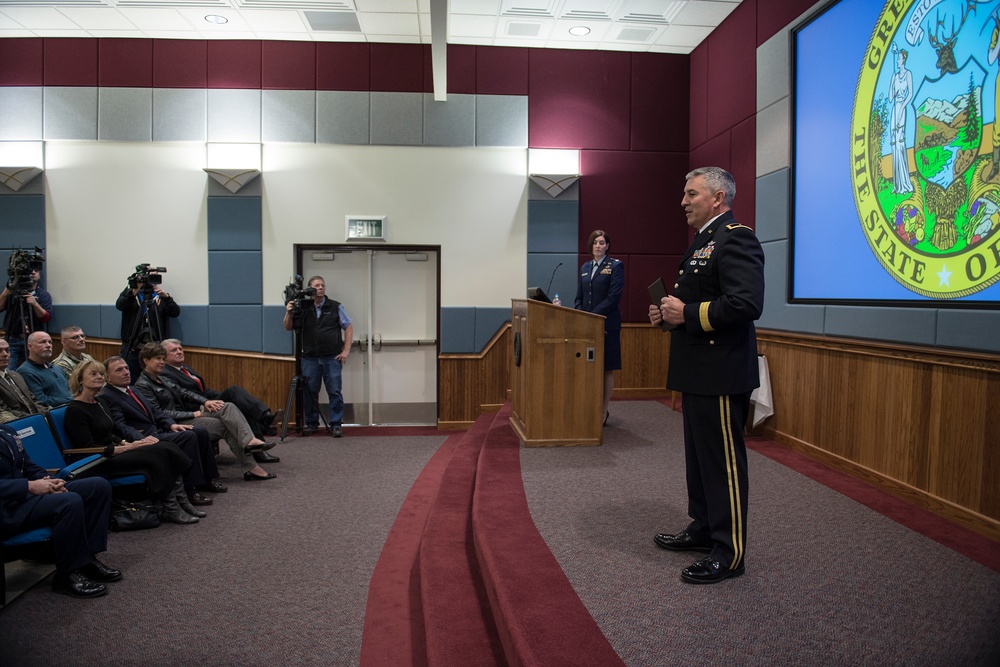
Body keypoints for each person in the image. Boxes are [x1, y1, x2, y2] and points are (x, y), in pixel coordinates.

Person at [648, 167, 764, 585]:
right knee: (698, 460)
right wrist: (668, 315)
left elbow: (746, 303)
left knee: (722, 464)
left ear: (717, 197)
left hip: (720, 369)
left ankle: (729, 551)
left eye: (691, 193)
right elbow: (698, 300)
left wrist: (690, 313)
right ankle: (703, 527)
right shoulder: (703, 241)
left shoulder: (736, 237)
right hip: (696, 367)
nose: (683, 201)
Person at [64, 358, 202, 524]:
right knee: (159, 453)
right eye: (93, 374)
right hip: (99, 460)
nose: (99, 377)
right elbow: (88, 448)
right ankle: (171, 508)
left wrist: (126, 444)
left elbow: (111, 433)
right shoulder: (75, 410)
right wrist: (127, 447)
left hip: (115, 450)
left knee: (167, 447)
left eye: (101, 373)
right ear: (80, 380)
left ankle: (182, 501)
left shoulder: (99, 402)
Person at [0, 425, 121, 598]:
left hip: (23, 498)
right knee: (68, 502)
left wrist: (50, 481)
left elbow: (27, 465)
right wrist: (29, 486)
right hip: (7, 508)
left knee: (97, 486)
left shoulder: (6, 430)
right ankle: (67, 575)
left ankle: (86, 559)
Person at [134, 343, 276, 482]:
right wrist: (193, 414)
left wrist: (205, 402)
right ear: (146, 361)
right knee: (226, 425)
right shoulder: (143, 385)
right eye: (158, 359)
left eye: (163, 359)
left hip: (186, 415)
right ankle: (251, 466)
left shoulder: (162, 378)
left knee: (227, 407)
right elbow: (159, 413)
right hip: (175, 423)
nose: (162, 362)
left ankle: (249, 442)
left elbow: (185, 393)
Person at [97, 356, 223, 505]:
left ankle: (207, 480)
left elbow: (155, 411)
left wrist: (171, 424)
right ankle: (190, 490)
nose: (126, 372)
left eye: (126, 368)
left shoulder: (132, 389)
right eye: (119, 370)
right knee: (188, 437)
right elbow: (121, 426)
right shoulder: (108, 396)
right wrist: (142, 439)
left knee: (200, 431)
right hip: (144, 438)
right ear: (108, 377)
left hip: (158, 430)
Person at [160, 338, 282, 462]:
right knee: (234, 392)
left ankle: (260, 444)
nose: (179, 352)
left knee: (239, 401)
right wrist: (207, 401)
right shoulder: (165, 373)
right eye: (174, 350)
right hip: (194, 408)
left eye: (180, 349)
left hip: (204, 401)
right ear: (164, 356)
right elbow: (184, 395)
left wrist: (221, 396)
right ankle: (265, 422)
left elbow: (202, 391)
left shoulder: (184, 368)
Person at [283, 276, 353, 437]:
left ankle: (336, 424)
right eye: (317, 285)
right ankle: (312, 423)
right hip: (309, 358)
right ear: (310, 289)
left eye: (322, 285)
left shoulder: (335, 306)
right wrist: (289, 312)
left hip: (331, 357)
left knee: (334, 391)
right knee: (310, 392)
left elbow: (348, 326)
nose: (320, 288)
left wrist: (346, 350)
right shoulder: (303, 307)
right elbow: (288, 327)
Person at [574, 229, 624, 424]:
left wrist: (592, 316)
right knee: (588, 367)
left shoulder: (615, 266)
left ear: (607, 246)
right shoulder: (585, 267)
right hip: (586, 325)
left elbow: (614, 297)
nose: (598, 246)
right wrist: (579, 313)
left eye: (602, 242)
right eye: (595, 242)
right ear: (591, 245)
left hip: (607, 324)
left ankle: (603, 411)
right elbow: (579, 295)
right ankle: (589, 407)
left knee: (606, 368)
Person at [116, 268, 179, 382]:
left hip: (155, 347)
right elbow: (120, 305)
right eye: (149, 277)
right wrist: (133, 290)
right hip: (133, 348)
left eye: (154, 278)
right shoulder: (132, 294)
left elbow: (175, 312)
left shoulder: (159, 297)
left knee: (156, 379)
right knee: (131, 379)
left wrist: (167, 297)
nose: (151, 281)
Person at [0, 264, 52, 371]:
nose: (33, 273)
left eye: (36, 271)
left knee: (32, 370)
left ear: (39, 275)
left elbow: (45, 318)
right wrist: (5, 293)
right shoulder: (12, 292)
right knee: (7, 369)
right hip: (12, 338)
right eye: (29, 271)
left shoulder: (43, 295)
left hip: (32, 340)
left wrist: (35, 304)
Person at [15, 331, 73, 407]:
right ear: (30, 347)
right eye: (42, 342)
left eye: (50, 342)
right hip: (53, 413)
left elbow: (70, 391)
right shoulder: (25, 371)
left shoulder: (57, 368)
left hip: (71, 407)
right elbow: (41, 400)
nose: (48, 345)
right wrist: (72, 400)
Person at [0, 338, 48, 422]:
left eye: (7, 350)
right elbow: (4, 411)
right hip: (18, 424)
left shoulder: (16, 375)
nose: (5, 354)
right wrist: (34, 419)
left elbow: (33, 400)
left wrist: (48, 414)